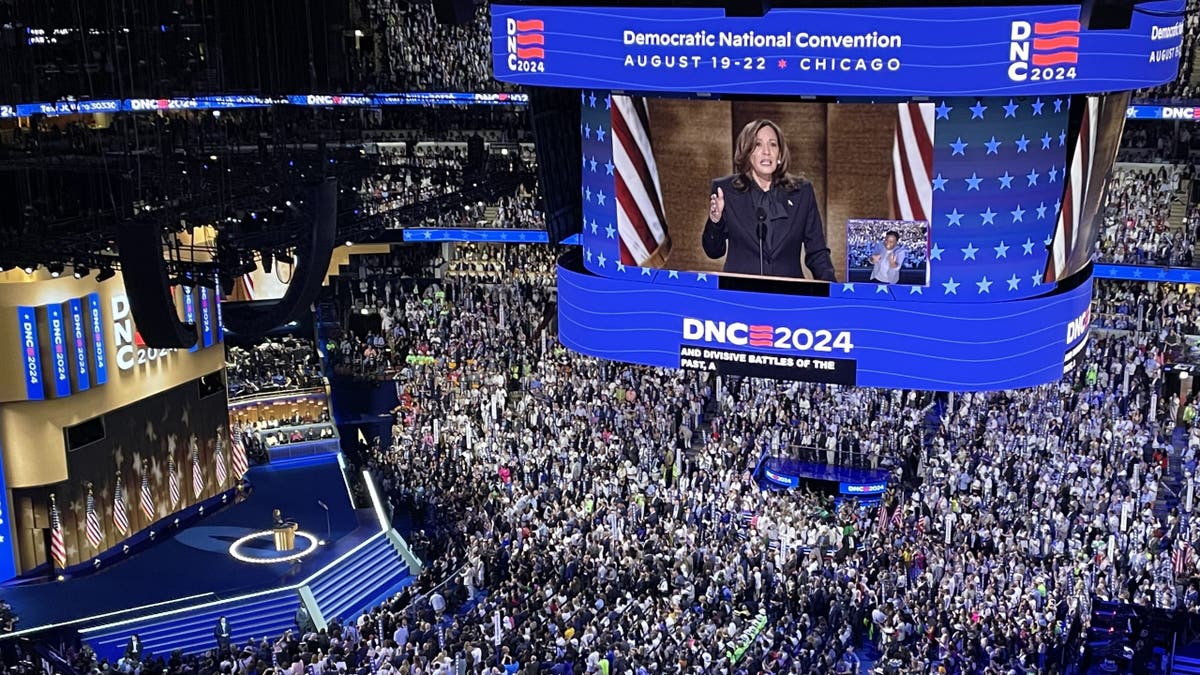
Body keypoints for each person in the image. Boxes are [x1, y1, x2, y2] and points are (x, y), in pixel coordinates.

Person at [702, 119, 836, 281]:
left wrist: (832, 292)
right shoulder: (726, 190)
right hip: (740, 295)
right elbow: (714, 251)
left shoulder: (801, 192)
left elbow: (817, 252)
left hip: (787, 297)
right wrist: (715, 220)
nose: (767, 151)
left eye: (773, 144)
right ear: (747, 151)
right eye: (758, 144)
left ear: (779, 154)